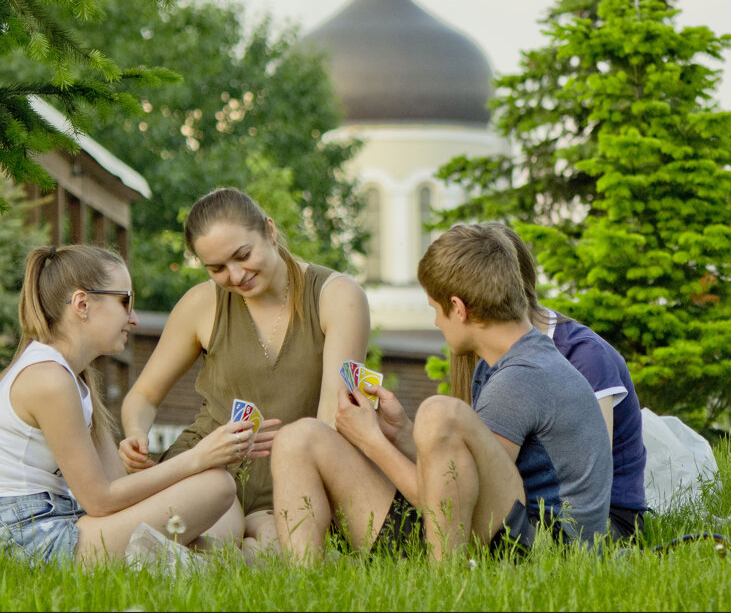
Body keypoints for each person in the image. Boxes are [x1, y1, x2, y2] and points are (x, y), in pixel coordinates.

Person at [270, 223, 612, 563]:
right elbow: (456, 484)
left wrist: (371, 441)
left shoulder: (521, 379)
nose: (436, 322)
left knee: (439, 413)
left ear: (458, 308)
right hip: (497, 539)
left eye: (435, 309)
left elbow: (448, 502)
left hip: (546, 554)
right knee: (298, 439)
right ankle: (304, 581)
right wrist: (401, 432)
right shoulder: (500, 364)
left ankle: (444, 581)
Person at [0, 244, 274, 567]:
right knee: (217, 486)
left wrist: (147, 469)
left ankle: (240, 560)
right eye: (125, 301)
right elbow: (100, 501)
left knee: (225, 517)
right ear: (82, 304)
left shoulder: (75, 378)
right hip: (25, 537)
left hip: (57, 520)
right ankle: (251, 560)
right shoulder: (49, 380)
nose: (134, 318)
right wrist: (200, 457)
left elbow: (116, 490)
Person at [119, 187, 370, 556]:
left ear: (269, 230)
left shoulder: (337, 297)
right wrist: (136, 434)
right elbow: (143, 395)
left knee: (274, 552)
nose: (235, 276)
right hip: (207, 470)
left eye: (242, 255)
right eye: (217, 268)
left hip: (290, 481)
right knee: (219, 540)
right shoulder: (201, 303)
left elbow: (332, 420)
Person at [468, 222, 649, 541]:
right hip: (532, 508)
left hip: (606, 521)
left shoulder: (584, 356)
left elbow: (593, 480)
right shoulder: (491, 359)